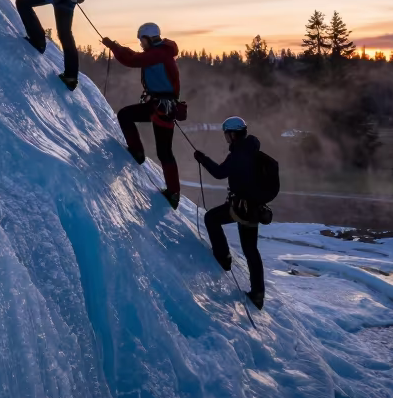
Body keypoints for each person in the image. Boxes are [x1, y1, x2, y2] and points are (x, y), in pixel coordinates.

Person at [193, 116, 280, 309]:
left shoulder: (239, 154)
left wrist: (202, 158)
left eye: (226, 134)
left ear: (232, 134)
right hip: (255, 209)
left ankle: (223, 258)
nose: (226, 138)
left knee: (211, 218)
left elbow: (219, 173)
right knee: (251, 250)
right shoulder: (254, 152)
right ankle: (258, 294)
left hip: (240, 207)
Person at [101, 24, 182, 209]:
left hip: (162, 107)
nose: (140, 44)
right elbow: (136, 57)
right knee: (125, 115)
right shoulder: (159, 52)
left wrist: (114, 47)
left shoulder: (158, 54)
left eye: (141, 40)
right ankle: (137, 152)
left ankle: (173, 192)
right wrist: (117, 46)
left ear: (149, 38)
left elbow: (133, 60)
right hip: (159, 105)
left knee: (164, 152)